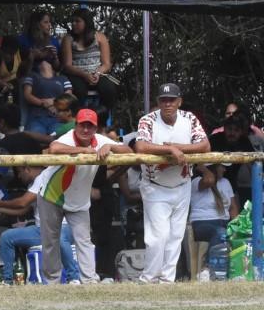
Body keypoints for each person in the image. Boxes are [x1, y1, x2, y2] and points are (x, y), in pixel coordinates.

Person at [131, 83, 210, 283]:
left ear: (179, 101)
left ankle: (167, 280)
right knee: (158, 236)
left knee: (175, 235)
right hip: (155, 185)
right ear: (158, 102)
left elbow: (205, 145)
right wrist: (169, 151)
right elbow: (140, 146)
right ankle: (149, 279)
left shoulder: (189, 118)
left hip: (182, 184)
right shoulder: (148, 120)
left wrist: (175, 147)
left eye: (172, 100)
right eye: (163, 100)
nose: (167, 104)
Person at [30, 108, 119, 284]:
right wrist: (83, 151)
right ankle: (52, 282)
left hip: (79, 200)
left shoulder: (100, 140)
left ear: (95, 128)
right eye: (82, 125)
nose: (85, 130)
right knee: (50, 241)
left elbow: (128, 150)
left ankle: (89, 280)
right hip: (52, 195)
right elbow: (53, 148)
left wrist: (110, 146)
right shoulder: (67, 137)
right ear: (75, 125)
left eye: (90, 126)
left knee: (84, 240)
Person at [61, 10, 119, 113]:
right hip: (77, 74)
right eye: (72, 21)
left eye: (77, 21)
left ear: (86, 23)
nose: (74, 24)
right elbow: (67, 65)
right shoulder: (68, 39)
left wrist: (97, 73)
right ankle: (78, 117)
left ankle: (102, 116)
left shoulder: (100, 37)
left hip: (97, 73)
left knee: (109, 89)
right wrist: (84, 75)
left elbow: (106, 64)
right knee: (79, 91)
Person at [188, 163, 236, 256]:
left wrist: (237, 226)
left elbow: (233, 207)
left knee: (240, 235)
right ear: (213, 168)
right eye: (221, 166)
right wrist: (204, 169)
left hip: (224, 223)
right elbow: (210, 180)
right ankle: (209, 266)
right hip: (202, 223)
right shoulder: (196, 182)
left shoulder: (225, 182)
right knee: (221, 232)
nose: (224, 170)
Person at [21, 55, 73, 139]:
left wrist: (55, 103)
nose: (44, 62)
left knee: (60, 137)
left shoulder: (62, 78)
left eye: (47, 60)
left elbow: (68, 97)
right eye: (41, 60)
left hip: (57, 118)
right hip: (36, 118)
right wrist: (43, 103)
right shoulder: (32, 76)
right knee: (34, 138)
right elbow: (27, 95)